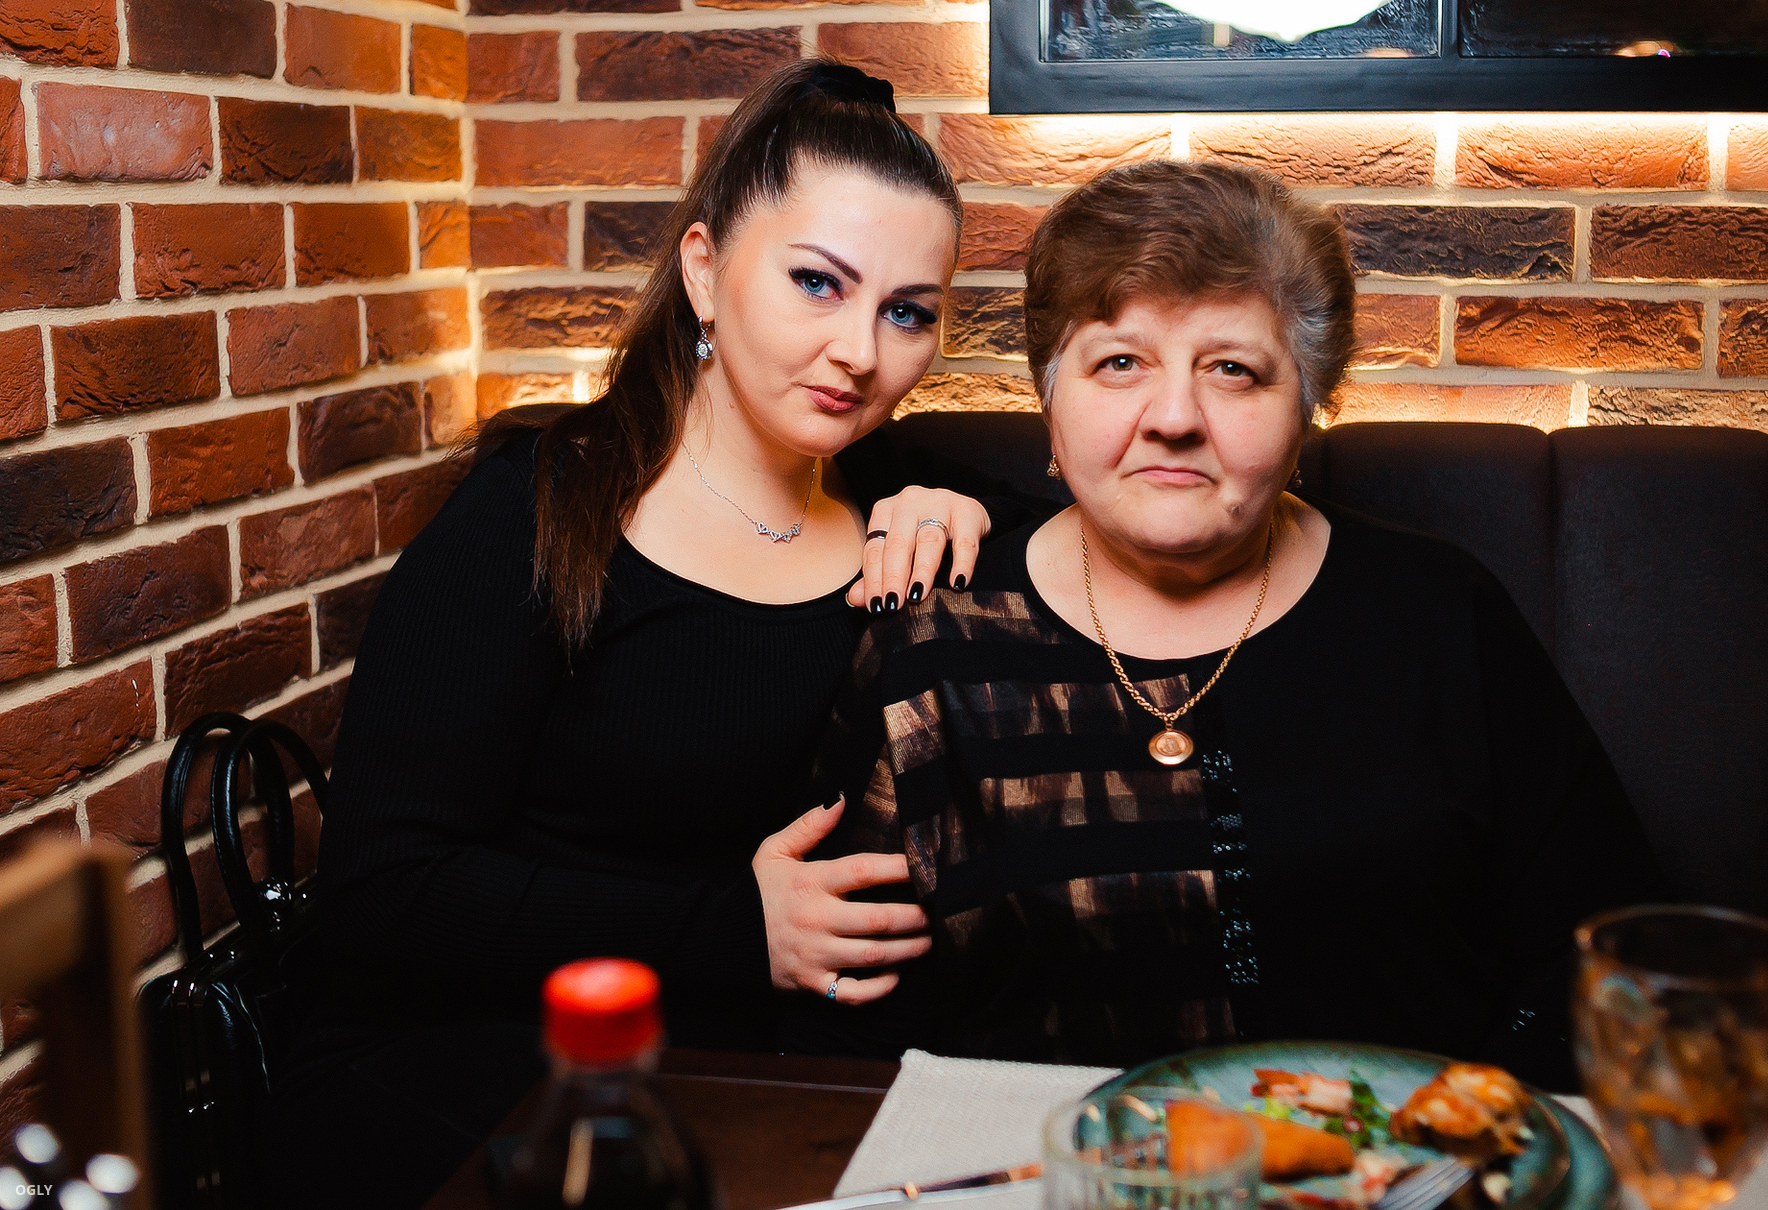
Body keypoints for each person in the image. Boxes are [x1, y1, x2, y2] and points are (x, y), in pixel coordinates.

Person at [267, 60, 1047, 1208]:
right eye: (816, 283)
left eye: (907, 311)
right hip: (477, 1057)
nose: (860, 350)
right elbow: (386, 889)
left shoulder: (902, 495)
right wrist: (733, 925)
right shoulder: (539, 513)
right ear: (703, 270)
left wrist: (971, 509)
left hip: (748, 1068)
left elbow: (1103, 542)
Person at [784, 160, 1664, 1084]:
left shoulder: (1441, 611)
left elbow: (1607, 954)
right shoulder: (937, 635)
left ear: (1308, 405)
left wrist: (1463, 1127)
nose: (1174, 417)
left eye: (1233, 370)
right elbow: (844, 1013)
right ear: (1049, 397)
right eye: (1120, 363)